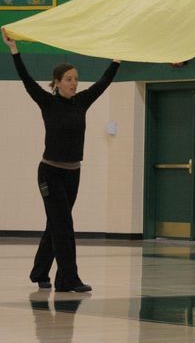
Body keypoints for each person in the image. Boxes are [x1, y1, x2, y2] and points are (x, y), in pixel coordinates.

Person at [2, 28, 121, 293]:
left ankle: (39, 272)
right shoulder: (47, 102)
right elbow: (26, 79)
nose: (74, 83)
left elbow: (102, 84)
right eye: (68, 79)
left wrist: (116, 61)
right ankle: (67, 279)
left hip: (72, 173)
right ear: (57, 82)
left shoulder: (82, 102)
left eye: (76, 79)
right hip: (50, 173)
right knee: (64, 225)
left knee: (56, 223)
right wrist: (14, 50)